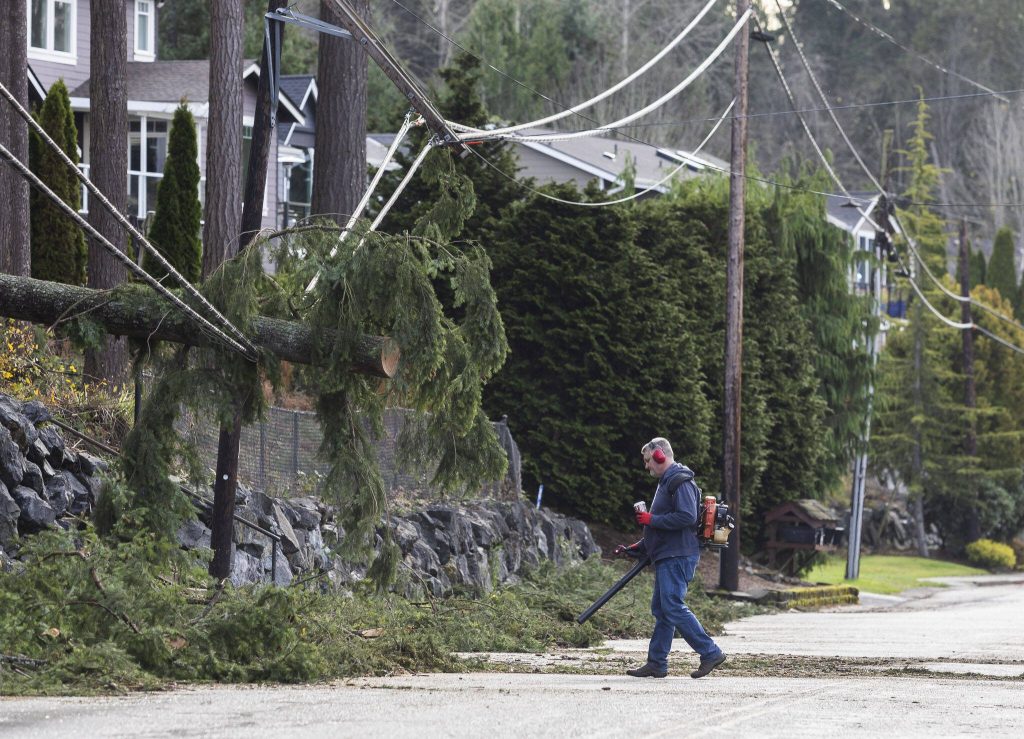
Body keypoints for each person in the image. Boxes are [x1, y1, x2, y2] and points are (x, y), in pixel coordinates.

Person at [614, 437, 727, 679]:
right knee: (663, 609)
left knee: (673, 606)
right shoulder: (667, 482)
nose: (647, 466)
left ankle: (710, 652)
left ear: (659, 456)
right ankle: (656, 663)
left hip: (678, 556)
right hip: (669, 554)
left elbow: (686, 517)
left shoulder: (680, 480)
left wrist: (651, 520)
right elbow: (663, 528)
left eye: (648, 461)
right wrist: (637, 547)